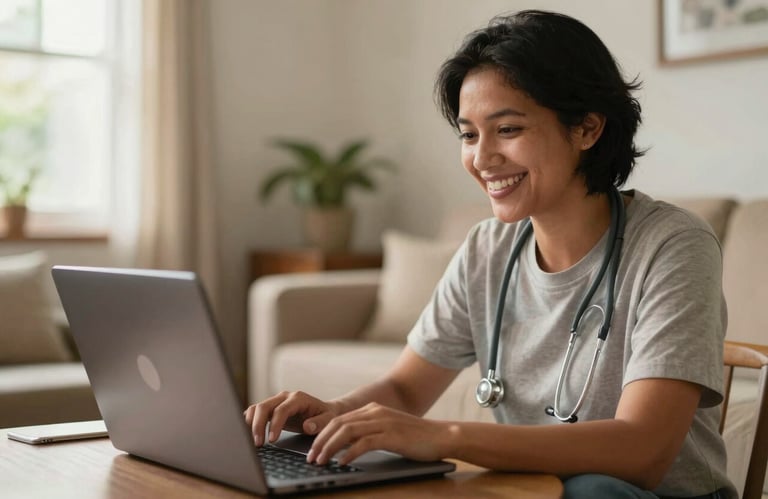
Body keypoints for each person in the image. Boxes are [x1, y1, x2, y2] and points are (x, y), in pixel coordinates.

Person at [245, 10, 737, 499]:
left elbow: (643, 452)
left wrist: (445, 436)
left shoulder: (674, 244)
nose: (482, 159)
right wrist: (332, 414)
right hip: (539, 489)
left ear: (587, 129)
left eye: (507, 130)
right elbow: (405, 391)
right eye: (468, 134)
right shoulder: (488, 247)